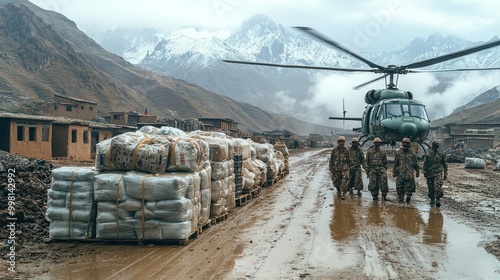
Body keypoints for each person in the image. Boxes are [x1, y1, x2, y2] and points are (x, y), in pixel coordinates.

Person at [393, 138, 420, 203]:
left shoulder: (412, 154)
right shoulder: (398, 153)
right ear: (402, 144)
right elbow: (395, 163)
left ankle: (408, 197)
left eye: (406, 143)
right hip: (400, 173)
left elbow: (415, 164)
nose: (405, 144)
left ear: (409, 144)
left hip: (409, 174)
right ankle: (401, 199)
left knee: (409, 188)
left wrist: (417, 171)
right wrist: (394, 172)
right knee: (399, 188)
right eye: (404, 143)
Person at [423, 139, 448, 207]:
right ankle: (432, 199)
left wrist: (445, 174)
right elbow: (425, 164)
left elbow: (445, 164)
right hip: (430, 173)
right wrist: (424, 172)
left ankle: (438, 199)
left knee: (437, 186)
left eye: (437, 146)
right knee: (431, 187)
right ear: (432, 145)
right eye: (435, 145)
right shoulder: (428, 154)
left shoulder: (441, 154)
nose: (436, 147)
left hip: (438, 173)